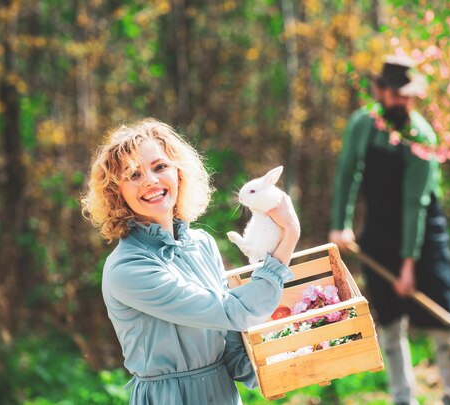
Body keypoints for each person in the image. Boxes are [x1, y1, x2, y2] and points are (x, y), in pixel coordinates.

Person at [81, 118, 300, 405]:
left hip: (222, 396)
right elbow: (233, 311)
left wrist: (280, 372)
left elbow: (230, 339)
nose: (150, 180)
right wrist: (290, 234)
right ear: (116, 192)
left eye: (160, 167)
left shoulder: (201, 244)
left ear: (179, 173)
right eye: (133, 175)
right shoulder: (127, 269)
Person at [328, 55, 450, 405]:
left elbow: (414, 203)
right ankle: (403, 398)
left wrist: (409, 264)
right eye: (397, 94)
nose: (404, 102)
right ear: (380, 91)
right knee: (389, 321)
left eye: (409, 95)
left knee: (441, 323)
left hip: (424, 232)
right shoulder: (363, 125)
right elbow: (348, 174)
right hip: (380, 230)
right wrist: (340, 225)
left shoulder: (421, 136)